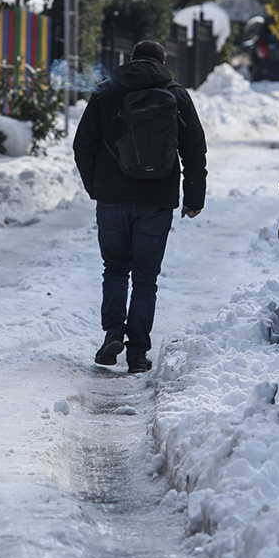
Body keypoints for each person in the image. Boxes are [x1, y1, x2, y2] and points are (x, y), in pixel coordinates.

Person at [73, 40, 208, 374]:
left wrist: (97, 187)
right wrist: (193, 198)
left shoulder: (106, 91)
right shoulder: (176, 95)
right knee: (146, 278)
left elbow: (83, 145)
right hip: (157, 198)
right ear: (164, 62)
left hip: (112, 199)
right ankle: (137, 353)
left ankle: (112, 335)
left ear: (130, 59)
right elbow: (194, 151)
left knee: (115, 269)